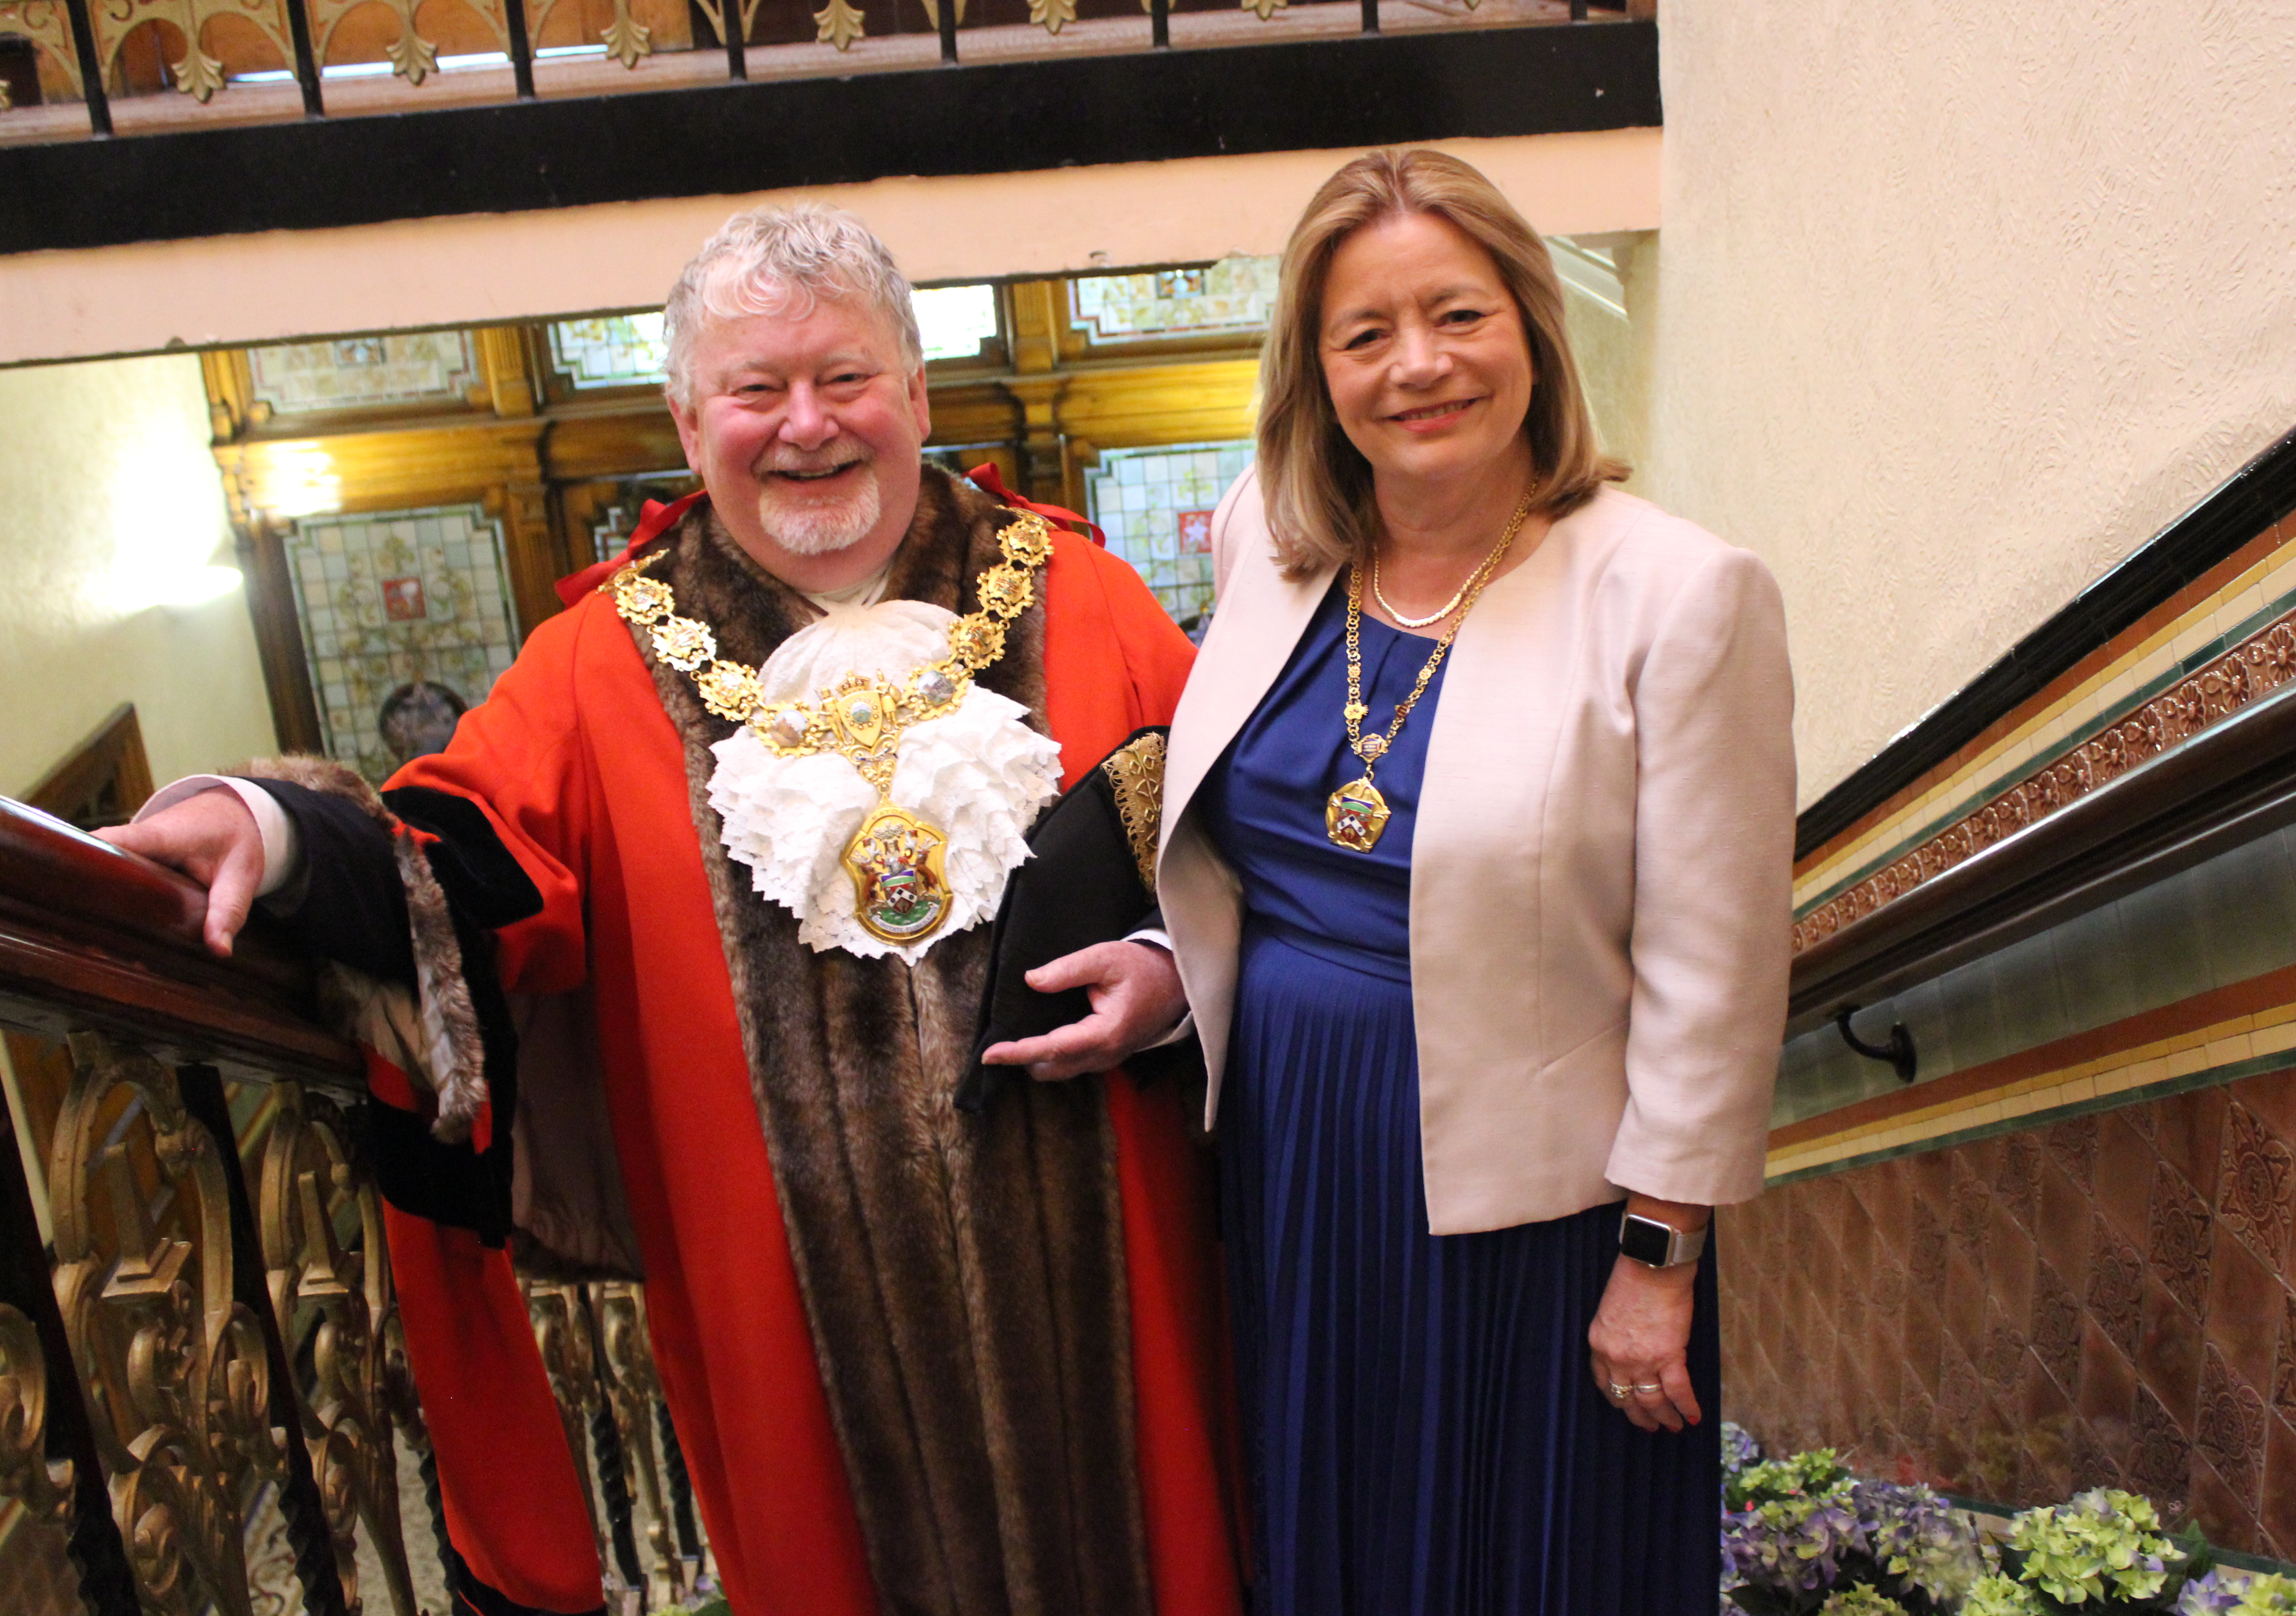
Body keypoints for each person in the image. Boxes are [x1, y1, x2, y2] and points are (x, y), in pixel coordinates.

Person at [103, 202, 1237, 1616]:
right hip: (791, 1355)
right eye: (756, 391)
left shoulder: (1094, 601)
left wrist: (1174, 968)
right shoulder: (592, 667)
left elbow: (1245, 859)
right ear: (691, 422)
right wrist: (272, 829)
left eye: (846, 379)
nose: (805, 426)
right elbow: (459, 862)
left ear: (918, 394)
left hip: (1119, 1315)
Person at [1155, 149, 1795, 1614]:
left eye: (1459, 314)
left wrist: (1661, 1256)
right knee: (1337, 1527)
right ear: (1315, 374)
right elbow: (1238, 833)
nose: (1418, 367)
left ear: (1532, 329)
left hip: (1537, 1202)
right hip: (1294, 1148)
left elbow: (1720, 962)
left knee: (1530, 1554)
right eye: (1364, 335)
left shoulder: (1676, 595)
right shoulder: (1274, 535)